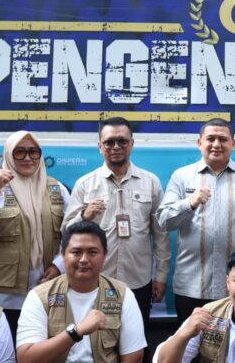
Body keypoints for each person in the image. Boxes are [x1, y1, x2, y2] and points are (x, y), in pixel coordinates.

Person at [62, 116, 170, 329]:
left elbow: (161, 234)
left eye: (122, 141)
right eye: (109, 142)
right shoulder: (85, 184)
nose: (116, 147)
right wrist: (85, 215)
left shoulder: (150, 182)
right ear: (100, 146)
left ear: (132, 143)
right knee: (96, 338)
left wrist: (161, 276)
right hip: (96, 279)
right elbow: (66, 232)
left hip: (138, 280)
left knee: (136, 338)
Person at [0, 130, 69, 340]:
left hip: (46, 290)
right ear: (9, 155)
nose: (27, 158)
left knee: (42, 348)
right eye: (19, 152)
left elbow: (71, 233)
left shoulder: (57, 189)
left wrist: (59, 265)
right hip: (5, 295)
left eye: (33, 152)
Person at [157, 118, 235, 324]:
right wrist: (189, 203)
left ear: (233, 144)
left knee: (234, 342)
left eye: (223, 139)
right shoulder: (182, 176)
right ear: (200, 143)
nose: (216, 144)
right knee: (190, 342)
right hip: (191, 286)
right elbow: (164, 221)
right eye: (210, 139)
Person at [16, 220, 146, 363]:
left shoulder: (123, 295)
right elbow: (26, 358)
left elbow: (134, 357)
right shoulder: (40, 296)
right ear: (63, 255)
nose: (84, 259)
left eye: (92, 252)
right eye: (76, 252)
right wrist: (76, 332)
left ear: (104, 256)